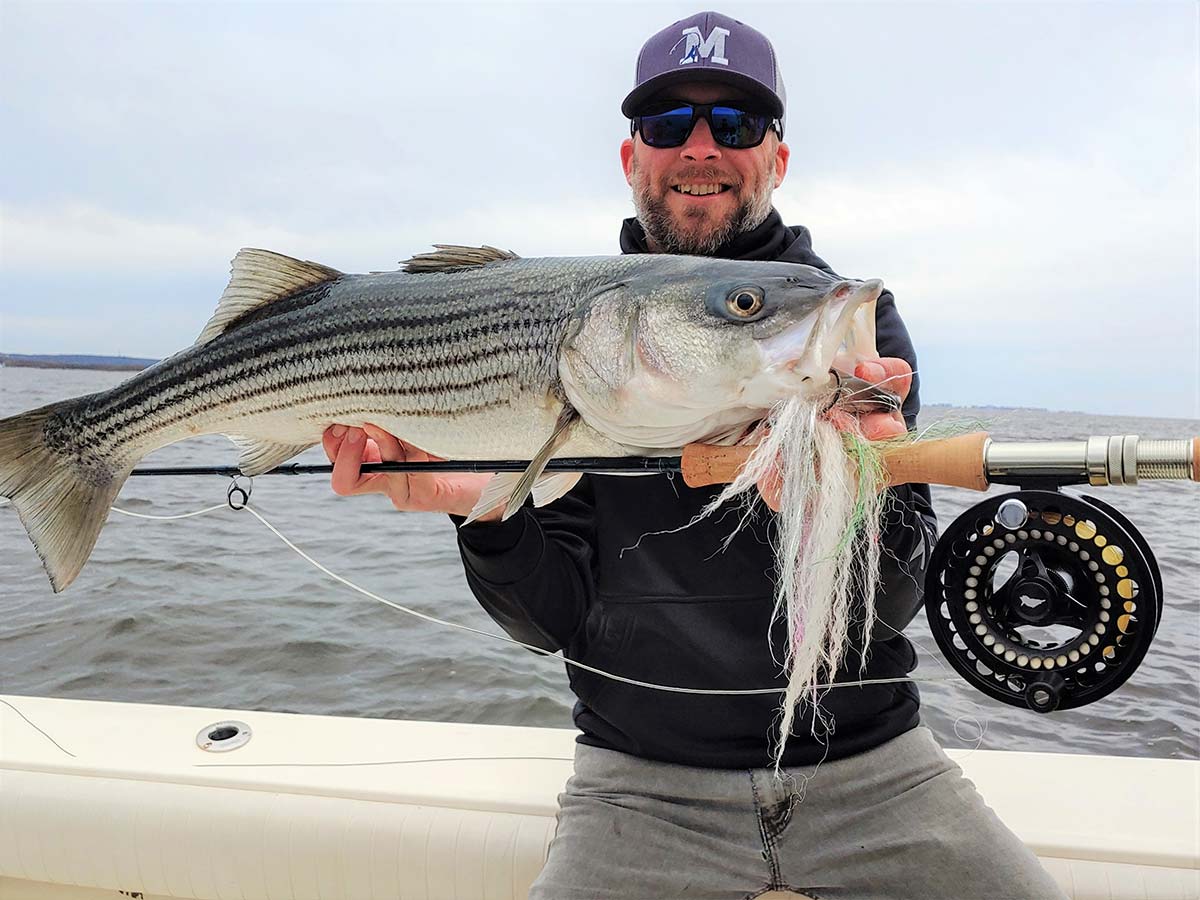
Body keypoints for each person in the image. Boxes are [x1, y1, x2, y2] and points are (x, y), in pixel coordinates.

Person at [323, 11, 1066, 899]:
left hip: (872, 765)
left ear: (777, 159)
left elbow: (895, 600)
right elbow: (549, 621)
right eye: (669, 124)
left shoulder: (844, 330)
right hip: (638, 785)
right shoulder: (582, 349)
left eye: (737, 124)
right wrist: (484, 505)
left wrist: (846, 502)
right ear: (632, 158)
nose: (701, 148)